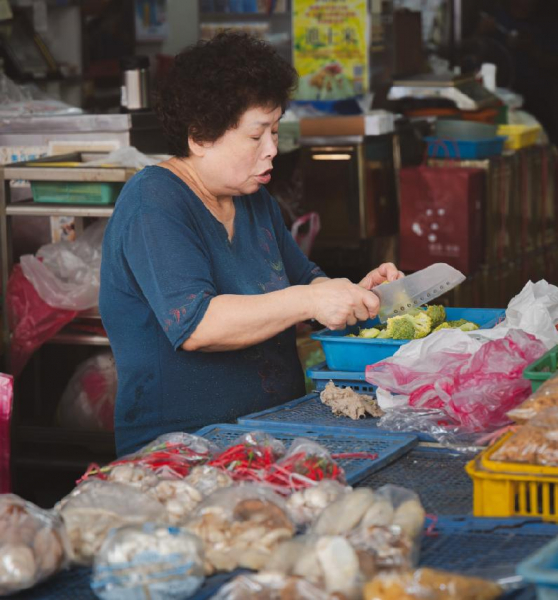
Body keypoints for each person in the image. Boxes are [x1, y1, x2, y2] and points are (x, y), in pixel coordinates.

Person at [100, 32, 401, 456]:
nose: (273, 150)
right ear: (200, 137)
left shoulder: (254, 200)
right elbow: (199, 325)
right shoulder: (154, 203)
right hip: (184, 450)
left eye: (276, 131)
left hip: (271, 434)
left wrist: (352, 293)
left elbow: (305, 280)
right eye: (257, 135)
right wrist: (310, 302)